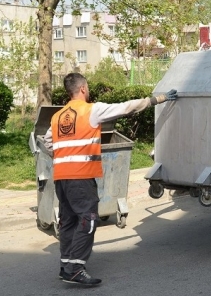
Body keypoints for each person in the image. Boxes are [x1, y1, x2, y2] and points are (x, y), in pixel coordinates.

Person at [43, 73, 178, 286]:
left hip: (62, 177)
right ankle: (76, 269)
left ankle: (66, 266)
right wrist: (156, 100)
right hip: (81, 176)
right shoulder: (91, 110)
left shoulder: (58, 116)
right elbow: (126, 107)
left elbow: (48, 142)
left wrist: (64, 156)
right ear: (83, 89)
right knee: (88, 219)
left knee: (68, 221)